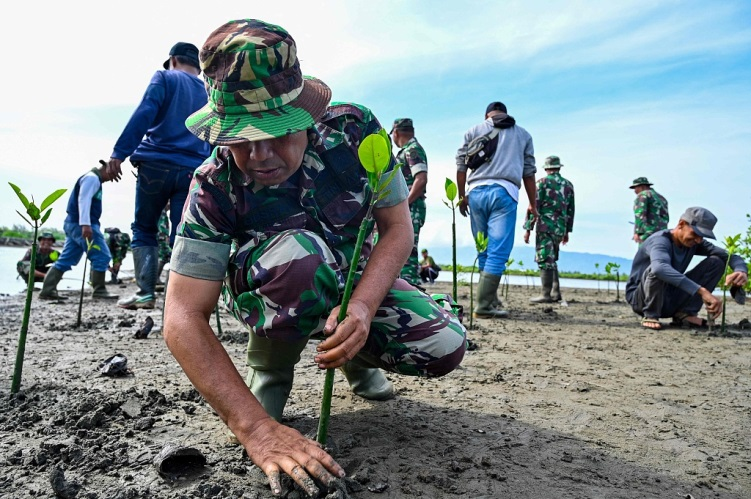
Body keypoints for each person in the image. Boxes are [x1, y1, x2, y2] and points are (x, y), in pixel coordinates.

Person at [162, 19, 467, 497]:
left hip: (354, 283)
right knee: (300, 256)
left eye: (275, 133)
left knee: (443, 345)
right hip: (274, 286)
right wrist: (254, 429)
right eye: (241, 139)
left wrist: (363, 309)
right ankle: (271, 364)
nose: (259, 155)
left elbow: (397, 228)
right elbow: (181, 315)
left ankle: (352, 354)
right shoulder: (213, 183)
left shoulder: (354, 132)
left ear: (303, 115)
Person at [105, 41, 212, 310]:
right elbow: (215, 134)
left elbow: (145, 112)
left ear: (173, 60)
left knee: (144, 228)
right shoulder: (210, 91)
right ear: (199, 67)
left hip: (155, 166)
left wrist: (119, 152)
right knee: (183, 232)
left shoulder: (165, 77)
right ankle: (181, 300)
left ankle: (145, 293)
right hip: (192, 170)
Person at [456, 101, 537, 318]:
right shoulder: (523, 135)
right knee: (498, 251)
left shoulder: (473, 131)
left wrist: (461, 196)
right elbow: (528, 173)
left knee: (483, 249)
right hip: (504, 192)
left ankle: (489, 299)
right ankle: (483, 306)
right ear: (505, 114)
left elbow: (461, 166)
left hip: (475, 193)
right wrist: (533, 204)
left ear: (487, 116)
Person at [626, 207, 748, 330]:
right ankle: (651, 315)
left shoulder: (696, 243)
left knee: (717, 262)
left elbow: (730, 257)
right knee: (660, 269)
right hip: (642, 300)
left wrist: (740, 270)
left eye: (703, 236)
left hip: (668, 299)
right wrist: (701, 291)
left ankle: (685, 313)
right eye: (696, 233)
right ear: (681, 224)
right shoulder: (660, 241)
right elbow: (659, 269)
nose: (698, 239)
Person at [39, 163, 119, 300]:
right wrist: (86, 224)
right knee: (102, 255)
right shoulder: (92, 178)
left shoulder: (94, 179)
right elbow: (83, 200)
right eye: (112, 175)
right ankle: (99, 290)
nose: (111, 179)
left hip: (73, 223)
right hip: (81, 224)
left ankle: (47, 290)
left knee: (67, 258)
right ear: (107, 168)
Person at [523, 156, 575, 303]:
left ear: (546, 168)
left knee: (545, 259)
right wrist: (567, 232)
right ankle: (555, 292)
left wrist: (528, 228)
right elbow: (571, 210)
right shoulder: (568, 185)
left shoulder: (542, 183)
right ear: (559, 167)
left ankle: (546, 294)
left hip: (545, 226)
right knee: (552, 259)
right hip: (560, 229)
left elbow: (533, 207)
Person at [392, 118, 428, 286]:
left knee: (406, 250)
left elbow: (421, 179)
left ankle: (410, 287)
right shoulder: (408, 150)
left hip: (411, 207)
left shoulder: (412, 150)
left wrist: (404, 205)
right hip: (409, 206)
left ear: (396, 132)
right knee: (400, 248)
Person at [630, 176, 668, 244]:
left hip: (648, 233)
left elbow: (640, 214)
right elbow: (666, 217)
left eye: (635, 187)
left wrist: (638, 232)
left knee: (645, 253)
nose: (635, 191)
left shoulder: (643, 195)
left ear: (642, 186)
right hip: (662, 234)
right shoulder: (662, 198)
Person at [156, 205, 172, 290]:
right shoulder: (161, 211)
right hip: (161, 238)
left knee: (164, 257)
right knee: (164, 256)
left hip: (161, 238)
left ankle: (156, 278)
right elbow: (162, 228)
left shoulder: (162, 212)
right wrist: (165, 238)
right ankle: (156, 278)